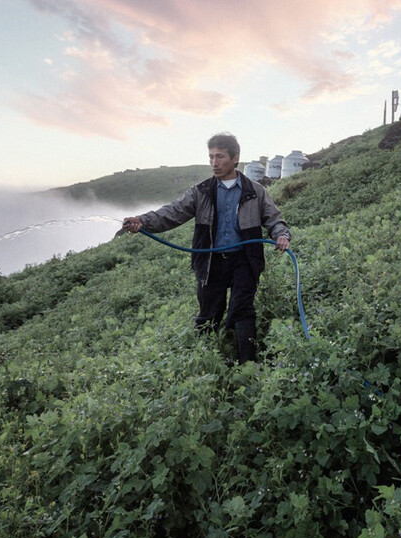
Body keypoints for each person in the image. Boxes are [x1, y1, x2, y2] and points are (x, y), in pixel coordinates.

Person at [120, 132, 290, 364]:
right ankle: (206, 363)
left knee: (243, 310)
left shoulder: (255, 190)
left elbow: (274, 218)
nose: (214, 162)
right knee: (208, 316)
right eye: (211, 157)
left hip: (245, 261)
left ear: (235, 158)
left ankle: (248, 366)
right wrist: (143, 221)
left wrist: (281, 235)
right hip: (211, 263)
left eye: (220, 156)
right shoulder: (200, 191)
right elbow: (173, 212)